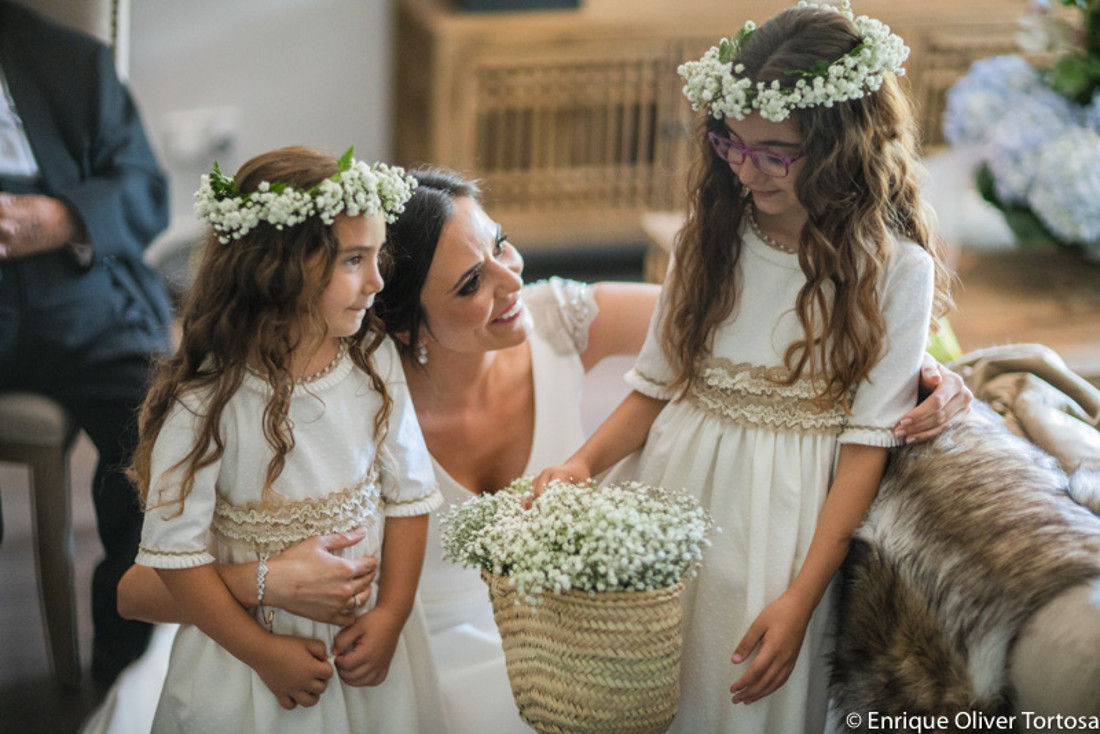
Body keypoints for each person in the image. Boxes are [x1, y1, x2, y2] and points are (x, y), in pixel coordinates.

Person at [94, 167, 971, 734]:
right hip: (399, 674)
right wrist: (265, 585)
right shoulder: (346, 394)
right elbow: (146, 580)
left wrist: (929, 380)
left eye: (502, 246)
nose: (511, 283)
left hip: (583, 654)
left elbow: (773, 321)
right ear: (400, 324)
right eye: (470, 284)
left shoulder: (559, 316)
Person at [532, 2, 952, 732]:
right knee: (645, 689)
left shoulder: (894, 270)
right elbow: (654, 388)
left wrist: (800, 597)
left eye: (774, 153)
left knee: (738, 697)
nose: (745, 168)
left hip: (786, 529)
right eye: (732, 142)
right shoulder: (709, 235)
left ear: (841, 145)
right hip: (673, 492)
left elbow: (864, 449)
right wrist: (580, 463)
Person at [129, 146, 445, 732]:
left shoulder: (373, 359)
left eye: (379, 256)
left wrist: (393, 615)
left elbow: (409, 497)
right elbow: (177, 556)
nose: (378, 280)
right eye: (354, 258)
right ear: (278, 269)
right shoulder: (208, 399)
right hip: (250, 653)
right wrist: (262, 652)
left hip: (362, 636)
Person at [0, 0, 173, 684]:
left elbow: (145, 189)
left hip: (77, 287)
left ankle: (125, 659)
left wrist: (59, 216)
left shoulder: (69, 58)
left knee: (156, 430)